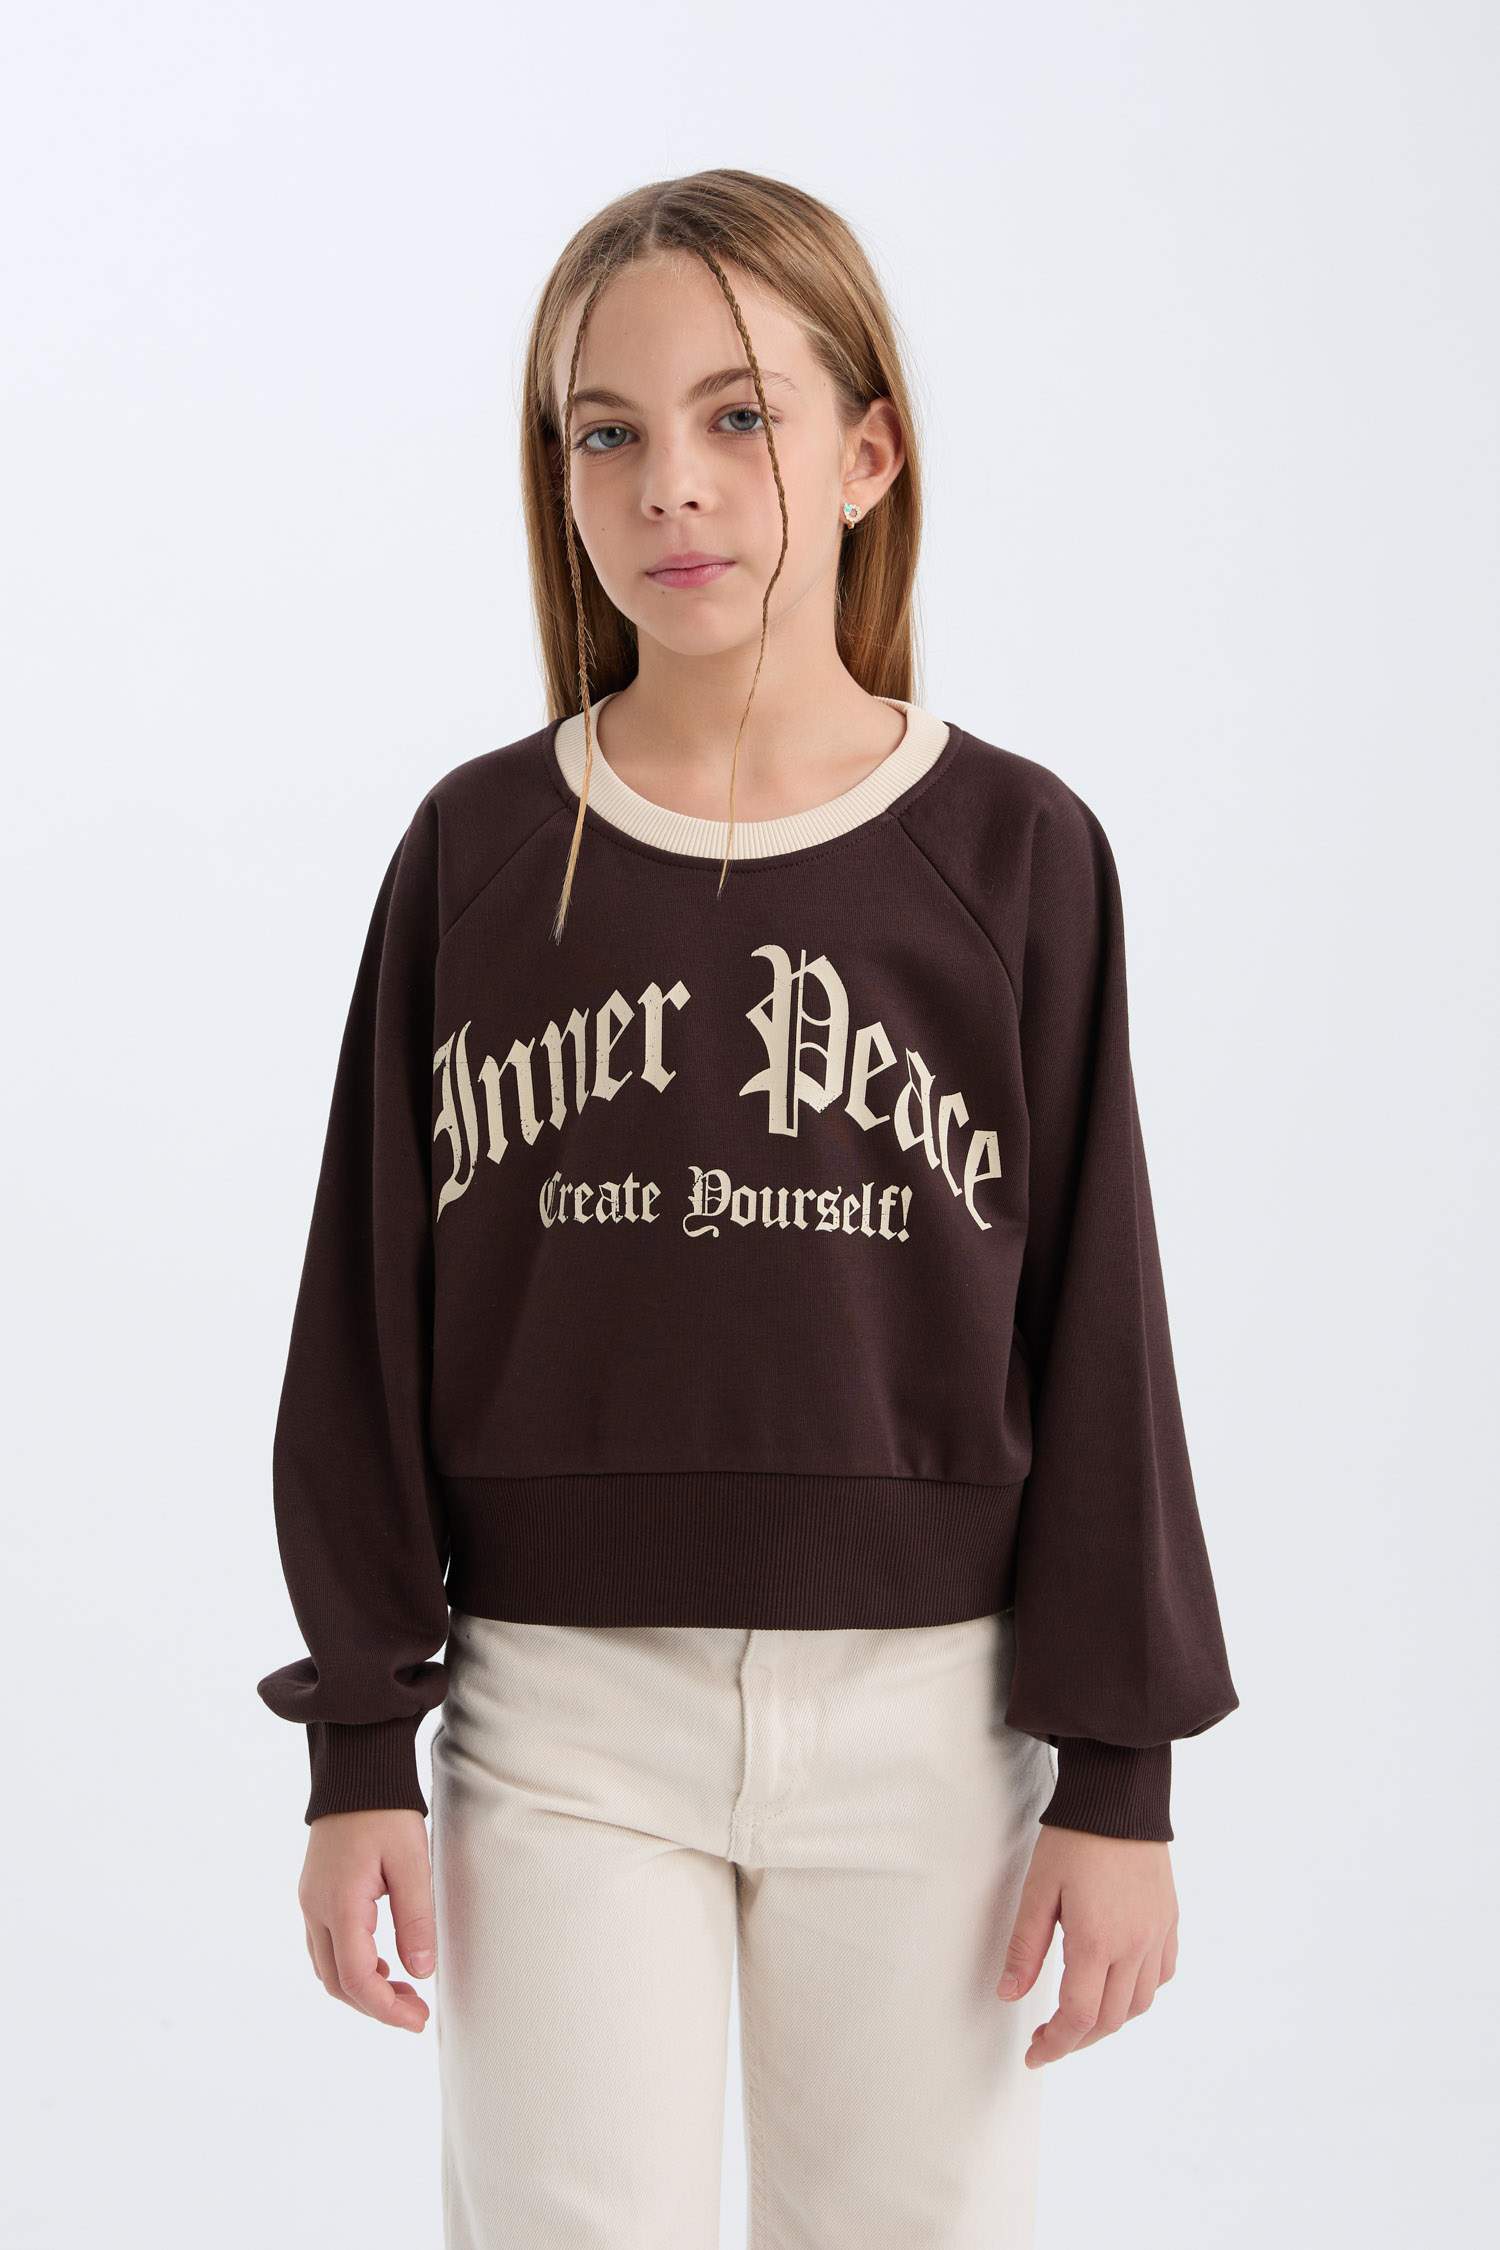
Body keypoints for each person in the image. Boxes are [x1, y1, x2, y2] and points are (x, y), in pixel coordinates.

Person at [256, 168, 1240, 2249]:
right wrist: (357, 1743)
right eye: (605, 431)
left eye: (738, 417)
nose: (670, 486)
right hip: (555, 1715)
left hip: (934, 1718)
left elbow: (1101, 1326)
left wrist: (1122, 1778)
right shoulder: (479, 856)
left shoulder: (1013, 852)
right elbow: (362, 1312)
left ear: (869, 453)